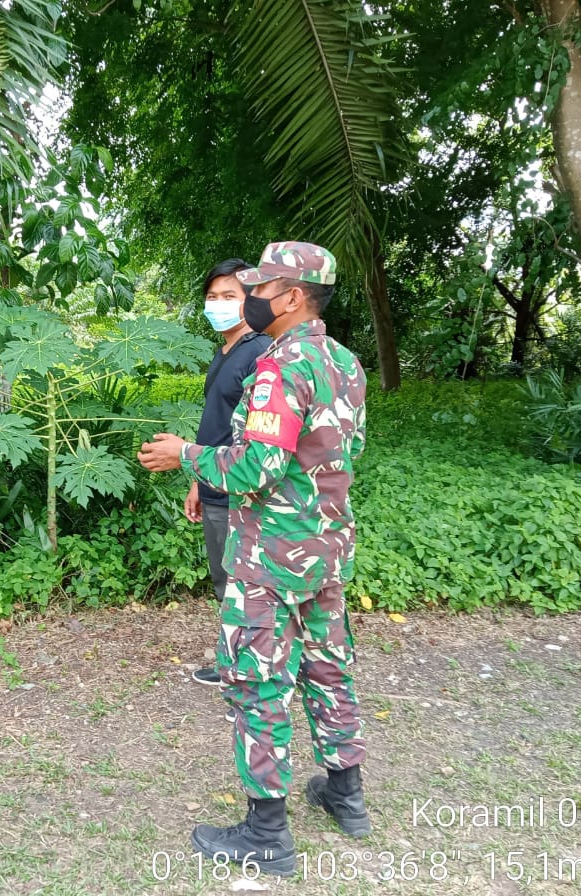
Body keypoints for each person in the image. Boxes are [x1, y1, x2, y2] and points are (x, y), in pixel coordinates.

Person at [137, 241, 371, 876]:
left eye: (261, 289)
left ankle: (266, 832)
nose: (252, 299)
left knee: (258, 683)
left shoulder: (280, 365)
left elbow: (255, 467)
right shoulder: (345, 362)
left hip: (269, 556)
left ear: (293, 296)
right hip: (324, 550)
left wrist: (186, 455)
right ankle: (345, 796)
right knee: (328, 668)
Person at [187, 259, 271, 687]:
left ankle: (250, 676)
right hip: (214, 482)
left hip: (240, 488)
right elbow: (216, 423)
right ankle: (234, 665)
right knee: (226, 581)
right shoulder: (226, 351)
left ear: (251, 301)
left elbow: (255, 435)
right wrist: (197, 483)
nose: (217, 304)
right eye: (212, 296)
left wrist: (199, 466)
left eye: (229, 297)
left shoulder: (258, 353)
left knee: (244, 586)